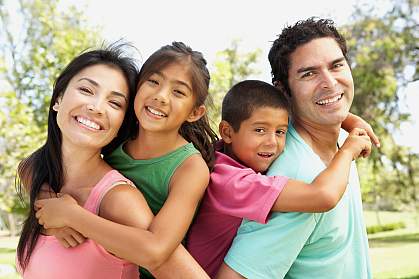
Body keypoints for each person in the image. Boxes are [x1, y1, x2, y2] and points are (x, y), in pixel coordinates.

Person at [34, 42, 217, 278]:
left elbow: (156, 250)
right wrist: (47, 199)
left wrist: (72, 216)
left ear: (195, 113)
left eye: (178, 92)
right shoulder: (114, 141)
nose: (161, 96)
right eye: (153, 82)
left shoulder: (190, 167)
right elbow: (35, 164)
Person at [217, 18, 373, 278]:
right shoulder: (298, 175)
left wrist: (352, 121)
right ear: (283, 90)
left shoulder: (341, 144)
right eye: (309, 74)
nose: (330, 83)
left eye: (336, 66)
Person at [187, 80, 372, 278]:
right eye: (259, 130)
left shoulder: (222, 154)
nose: (272, 142)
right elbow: (323, 196)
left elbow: (300, 112)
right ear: (227, 132)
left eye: (280, 132)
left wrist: (350, 121)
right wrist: (347, 151)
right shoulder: (231, 183)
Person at [16, 44, 142, 278]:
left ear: (120, 127)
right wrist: (48, 200)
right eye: (86, 90)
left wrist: (74, 217)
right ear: (58, 100)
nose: (96, 107)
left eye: (114, 103)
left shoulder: (118, 200)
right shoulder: (39, 172)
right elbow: (27, 167)